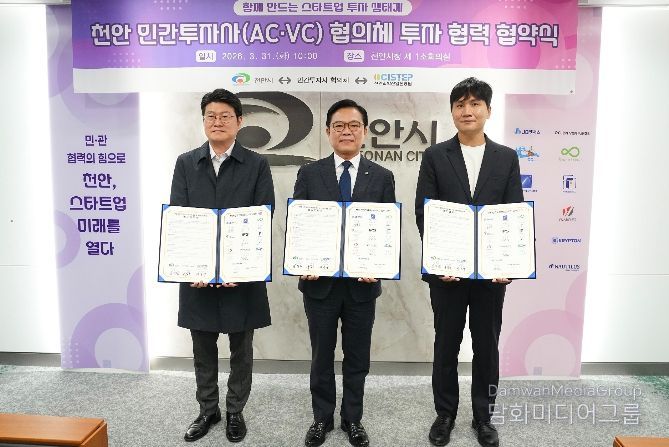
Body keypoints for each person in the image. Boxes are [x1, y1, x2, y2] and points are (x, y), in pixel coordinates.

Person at [414, 78, 523, 447]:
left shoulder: (506, 157)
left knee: (486, 346)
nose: (467, 110)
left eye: (475, 103)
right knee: (446, 343)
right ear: (452, 111)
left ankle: (483, 417)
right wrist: (439, 260)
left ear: (488, 110)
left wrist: (507, 263)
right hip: (447, 272)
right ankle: (445, 414)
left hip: (491, 274)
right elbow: (424, 212)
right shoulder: (435, 155)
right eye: (460, 104)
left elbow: (513, 213)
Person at [169, 88, 275, 443]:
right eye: (211, 116)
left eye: (225, 116)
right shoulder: (186, 163)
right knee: (202, 347)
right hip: (197, 275)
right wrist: (192, 267)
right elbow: (180, 217)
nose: (218, 122)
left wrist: (240, 267)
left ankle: (234, 411)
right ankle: (207, 410)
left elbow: (263, 216)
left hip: (242, 274)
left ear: (239, 121)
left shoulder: (256, 164)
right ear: (203, 121)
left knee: (241, 348)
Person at [293, 99, 396, 447]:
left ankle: (353, 418)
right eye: (339, 125)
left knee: (357, 358)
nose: (346, 131)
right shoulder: (310, 174)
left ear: (364, 132)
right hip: (319, 285)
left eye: (353, 125)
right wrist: (302, 262)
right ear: (328, 132)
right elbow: (300, 225)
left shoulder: (382, 177)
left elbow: (387, 230)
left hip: (361, 287)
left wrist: (379, 266)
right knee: (321, 356)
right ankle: (321, 418)